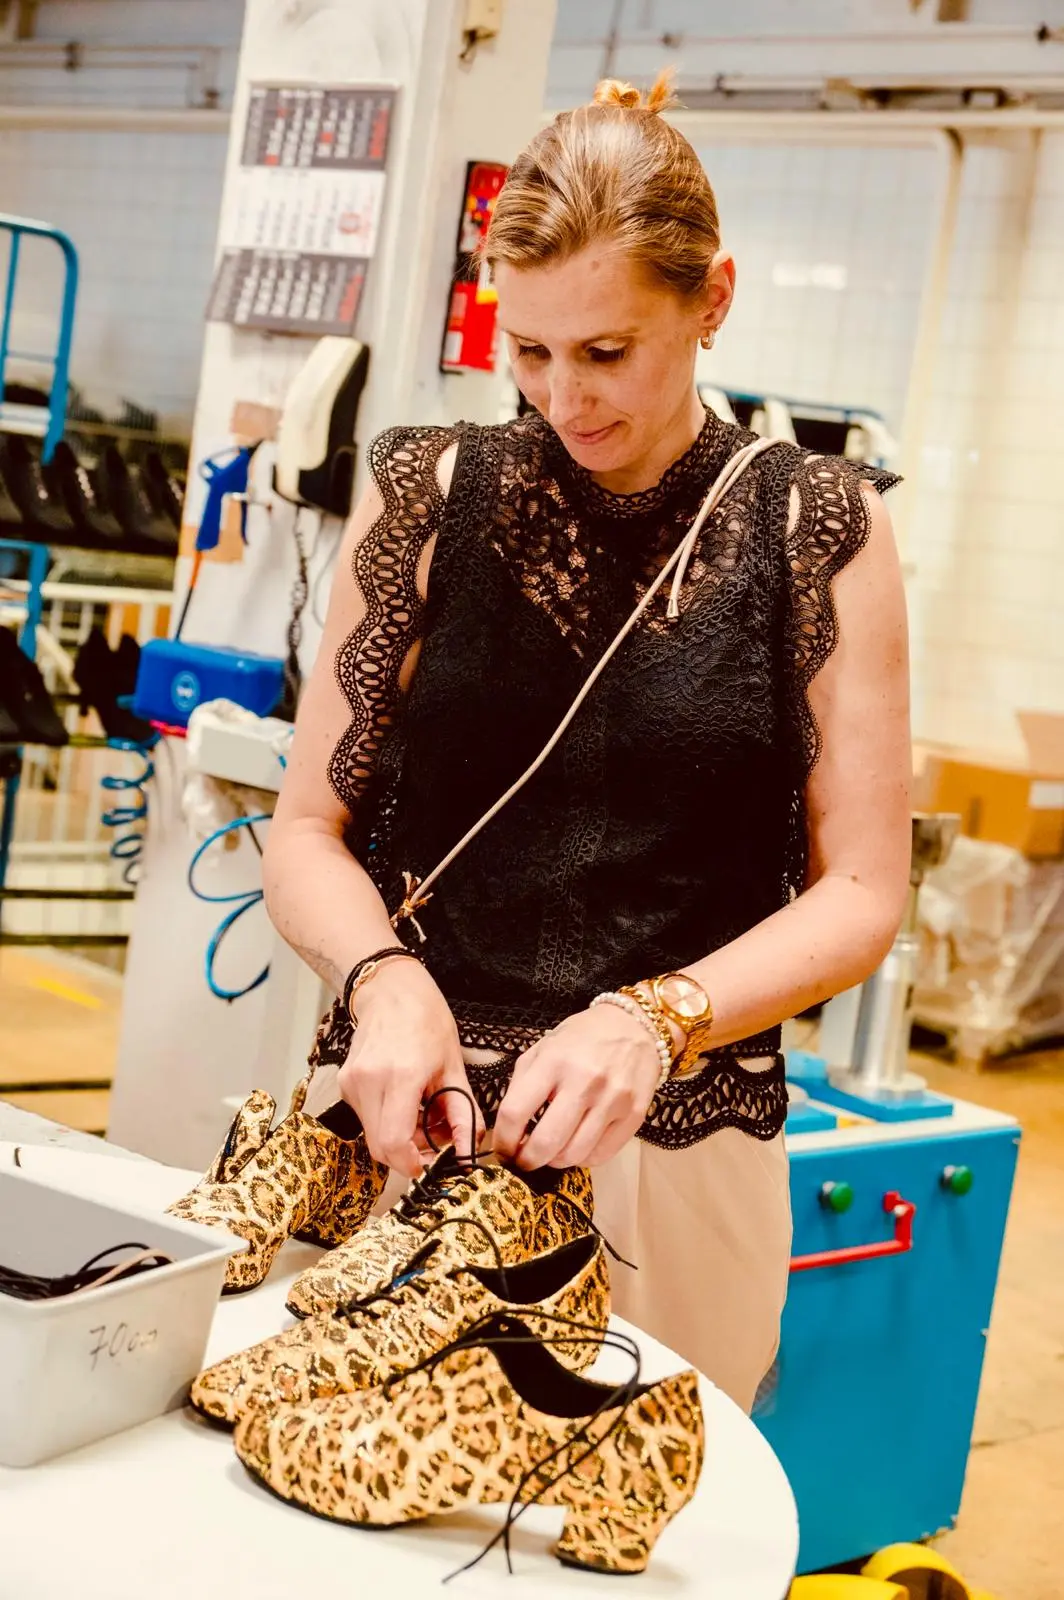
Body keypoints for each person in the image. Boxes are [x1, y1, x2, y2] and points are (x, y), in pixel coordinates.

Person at [262, 73, 911, 1412]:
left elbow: (862, 890)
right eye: (530, 351)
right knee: (340, 1478)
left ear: (713, 300)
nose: (565, 398)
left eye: (608, 352)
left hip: (666, 1153)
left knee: (626, 1496)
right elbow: (309, 832)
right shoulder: (428, 494)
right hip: (409, 1124)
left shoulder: (817, 528)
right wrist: (380, 978)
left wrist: (652, 1020)